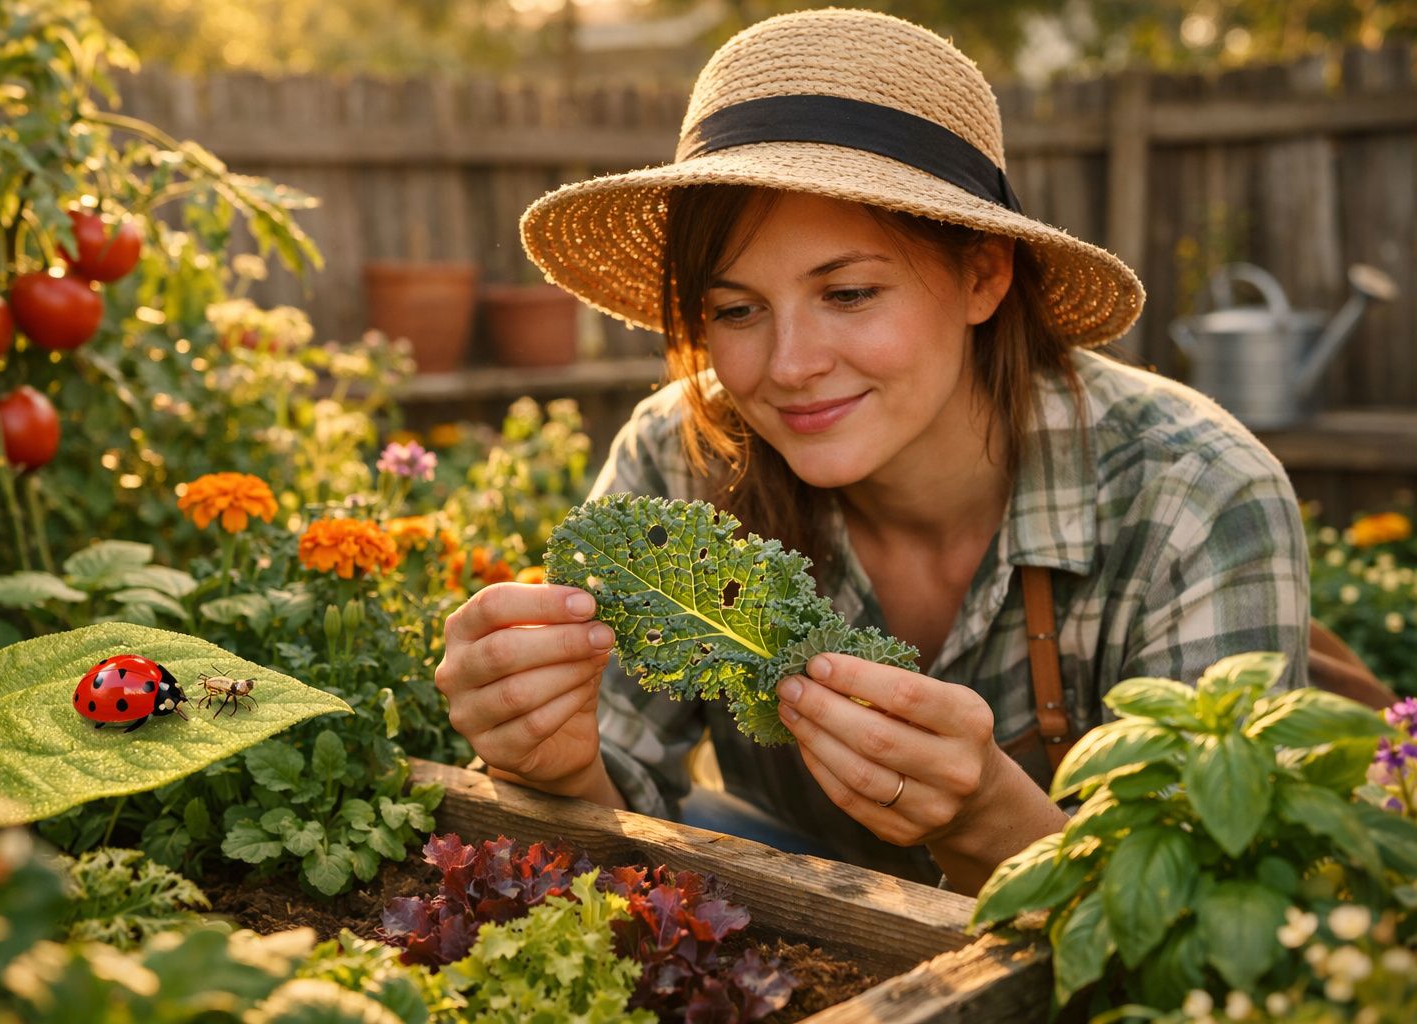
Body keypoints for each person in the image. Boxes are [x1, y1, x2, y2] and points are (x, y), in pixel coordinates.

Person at [434, 8, 1309, 893]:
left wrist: (989, 820)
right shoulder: (684, 451)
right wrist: (552, 763)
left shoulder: (1197, 496)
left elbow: (1209, 925)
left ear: (982, 276)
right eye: (735, 310)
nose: (790, 367)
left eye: (848, 293)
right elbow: (618, 817)